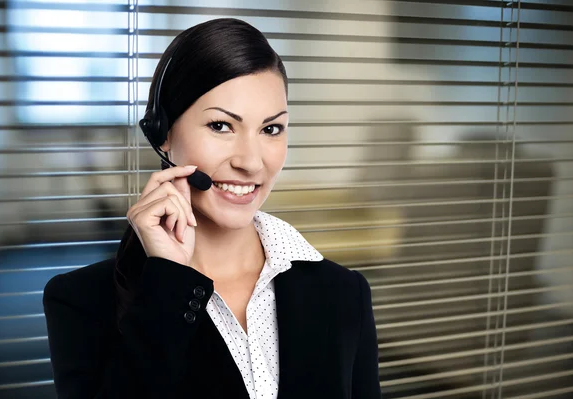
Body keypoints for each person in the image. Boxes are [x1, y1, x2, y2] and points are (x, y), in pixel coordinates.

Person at [43, 18, 381, 399]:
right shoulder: (81, 301)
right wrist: (167, 279)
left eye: (271, 129)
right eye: (221, 125)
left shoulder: (343, 292)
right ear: (163, 132)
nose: (251, 163)